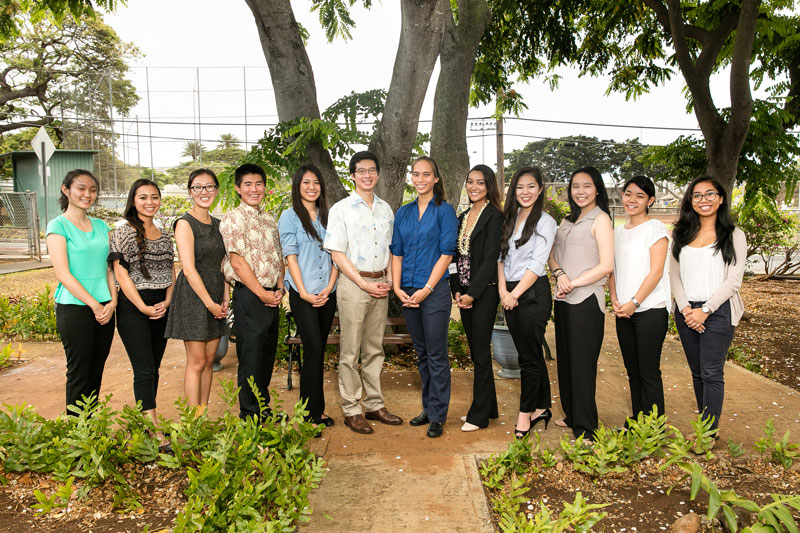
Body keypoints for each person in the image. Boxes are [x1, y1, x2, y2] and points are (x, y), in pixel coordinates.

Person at [324, 151, 402, 434]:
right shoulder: (341, 209)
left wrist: (389, 280)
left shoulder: (385, 209)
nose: (367, 175)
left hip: (380, 284)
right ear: (353, 175)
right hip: (354, 284)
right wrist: (363, 283)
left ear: (377, 174)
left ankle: (374, 404)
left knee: (374, 349)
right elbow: (337, 253)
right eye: (361, 171)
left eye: (371, 170)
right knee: (350, 351)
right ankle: (351, 409)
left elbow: (391, 249)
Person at [670, 176, 746, 441]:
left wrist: (706, 310)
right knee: (698, 373)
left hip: (718, 311)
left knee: (711, 373)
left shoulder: (734, 235)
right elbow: (674, 275)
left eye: (710, 194)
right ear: (691, 201)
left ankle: (708, 434)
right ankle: (704, 428)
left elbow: (734, 280)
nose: (704, 200)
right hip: (687, 312)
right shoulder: (681, 234)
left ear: (721, 198)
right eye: (697, 195)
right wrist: (686, 309)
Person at [391, 156, 458, 438]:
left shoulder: (445, 211)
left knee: (436, 353)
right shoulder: (403, 213)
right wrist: (397, 288)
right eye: (416, 174)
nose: (420, 179)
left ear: (436, 178)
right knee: (421, 353)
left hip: (434, 292)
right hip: (407, 291)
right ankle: (428, 409)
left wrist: (427, 289)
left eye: (426, 174)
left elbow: (446, 254)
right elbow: (396, 252)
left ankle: (438, 415)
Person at [548, 166, 614, 441]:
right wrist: (560, 275)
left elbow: (607, 265)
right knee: (565, 361)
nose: (580, 191)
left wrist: (573, 283)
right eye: (575, 186)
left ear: (597, 189)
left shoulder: (601, 220)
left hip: (586, 300)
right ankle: (572, 415)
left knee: (583, 364)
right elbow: (552, 254)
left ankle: (586, 427)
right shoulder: (566, 220)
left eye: (586, 186)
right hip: (563, 298)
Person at [109, 179, 175, 448]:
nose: (150, 202)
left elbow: (171, 271)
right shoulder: (122, 232)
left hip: (161, 307)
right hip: (134, 309)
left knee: (154, 369)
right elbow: (120, 274)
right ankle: (154, 431)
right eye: (143, 197)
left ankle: (146, 420)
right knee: (144, 370)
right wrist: (143, 307)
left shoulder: (166, 236)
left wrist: (167, 302)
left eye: (154, 197)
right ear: (133, 201)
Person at [46, 169, 116, 412]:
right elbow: (63, 274)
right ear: (66, 190)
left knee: (96, 370)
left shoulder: (101, 226)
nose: (87, 194)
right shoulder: (58, 226)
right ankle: (76, 428)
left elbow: (110, 268)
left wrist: (113, 302)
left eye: (92, 190)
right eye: (81, 188)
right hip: (75, 308)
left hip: (105, 308)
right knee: (79, 372)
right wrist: (94, 305)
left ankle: (91, 426)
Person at [220, 163, 284, 421]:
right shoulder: (233, 219)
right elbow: (237, 262)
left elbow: (278, 257)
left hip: (272, 296)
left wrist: (279, 287)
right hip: (250, 296)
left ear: (265, 187)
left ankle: (263, 408)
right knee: (250, 357)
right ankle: (249, 414)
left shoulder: (269, 219)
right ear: (238, 188)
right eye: (247, 184)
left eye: (258, 184)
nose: (254, 189)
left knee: (266, 356)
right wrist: (261, 293)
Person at [497, 167, 557, 439]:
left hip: (532, 293)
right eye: (520, 187)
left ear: (540, 189)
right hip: (509, 291)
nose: (525, 192)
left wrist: (515, 294)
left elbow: (537, 263)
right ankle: (542, 407)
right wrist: (503, 291)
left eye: (531, 186)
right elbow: (501, 258)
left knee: (528, 357)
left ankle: (525, 413)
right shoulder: (509, 217)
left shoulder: (545, 221)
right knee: (529, 352)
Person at [278, 164, 338, 431]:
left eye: (316, 182)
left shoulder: (329, 216)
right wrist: (303, 293)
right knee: (312, 349)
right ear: (297, 186)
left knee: (319, 350)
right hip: (303, 294)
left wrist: (330, 287)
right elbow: (290, 257)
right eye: (306, 182)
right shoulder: (289, 217)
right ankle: (309, 415)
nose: (312, 187)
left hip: (327, 293)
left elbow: (338, 253)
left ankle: (315, 410)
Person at [165, 168, 229, 410]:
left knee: (210, 360)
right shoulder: (184, 223)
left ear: (216, 190)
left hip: (215, 292)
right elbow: (189, 269)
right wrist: (209, 304)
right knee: (197, 361)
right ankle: (192, 421)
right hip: (193, 296)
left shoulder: (219, 225)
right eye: (198, 187)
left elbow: (223, 264)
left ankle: (202, 414)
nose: (204, 191)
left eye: (209, 186)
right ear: (190, 191)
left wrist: (225, 296)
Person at [608, 176, 670, 422]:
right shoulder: (617, 232)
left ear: (650, 201)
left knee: (648, 371)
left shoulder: (656, 229)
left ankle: (654, 428)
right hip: (623, 311)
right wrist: (614, 298)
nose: (632, 200)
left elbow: (656, 272)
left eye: (640, 196)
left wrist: (634, 302)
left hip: (650, 310)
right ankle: (638, 421)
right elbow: (612, 269)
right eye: (628, 194)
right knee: (632, 370)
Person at [450, 165, 503, 432]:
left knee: (481, 352)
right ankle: (489, 407)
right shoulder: (462, 217)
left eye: (480, 183)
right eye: (470, 181)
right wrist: (457, 289)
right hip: (465, 294)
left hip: (484, 292)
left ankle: (479, 415)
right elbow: (455, 257)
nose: (474, 187)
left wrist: (472, 293)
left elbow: (491, 258)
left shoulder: (494, 216)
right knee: (476, 351)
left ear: (489, 186)